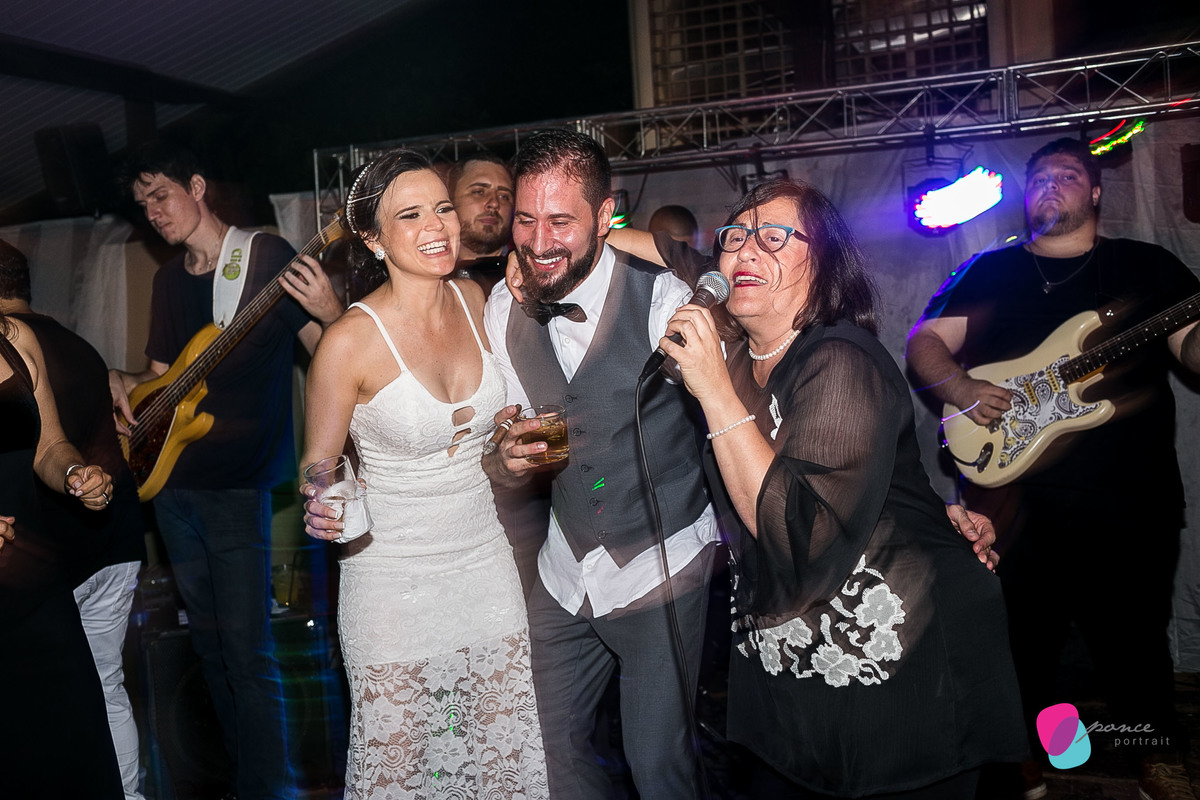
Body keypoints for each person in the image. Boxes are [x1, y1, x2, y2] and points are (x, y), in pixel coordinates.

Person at [655, 178, 1028, 798]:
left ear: (823, 262)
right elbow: (659, 249)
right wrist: (559, 236)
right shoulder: (742, 355)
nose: (747, 249)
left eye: (774, 237)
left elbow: (796, 535)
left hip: (904, 657)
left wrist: (714, 391)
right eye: (736, 236)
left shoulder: (840, 359)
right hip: (794, 652)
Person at [906, 137, 1200, 800]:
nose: (1050, 184)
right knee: (1019, 640)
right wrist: (959, 388)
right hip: (1011, 499)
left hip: (1131, 495)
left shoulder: (1146, 266)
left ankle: (1153, 755)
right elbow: (925, 342)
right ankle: (1022, 756)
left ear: (1095, 192)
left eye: (1066, 175)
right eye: (1039, 177)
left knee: (1135, 641)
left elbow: (1192, 352)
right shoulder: (989, 269)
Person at [482, 128, 723, 800]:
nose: (538, 242)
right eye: (525, 219)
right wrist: (506, 460)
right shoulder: (503, 306)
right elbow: (510, 441)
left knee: (657, 765)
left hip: (660, 563)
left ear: (605, 214)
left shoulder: (663, 298)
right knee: (538, 749)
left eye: (560, 221)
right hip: (565, 567)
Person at [300, 150, 547, 799]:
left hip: (484, 562)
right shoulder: (347, 342)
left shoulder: (475, 298)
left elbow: (493, 440)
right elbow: (318, 464)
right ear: (372, 237)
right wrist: (325, 497)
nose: (436, 225)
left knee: (500, 752)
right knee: (403, 763)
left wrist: (510, 448)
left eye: (442, 207)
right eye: (410, 215)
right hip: (390, 579)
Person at [109, 142, 344, 800]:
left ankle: (275, 789)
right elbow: (160, 380)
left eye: (161, 195)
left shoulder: (263, 258)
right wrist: (119, 385)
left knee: (248, 653)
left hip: (239, 488)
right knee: (210, 651)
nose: (153, 213)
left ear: (196, 185)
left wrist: (332, 314)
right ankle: (245, 781)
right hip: (172, 489)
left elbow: (328, 354)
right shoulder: (167, 281)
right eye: (142, 205)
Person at [0, 239, 147, 800]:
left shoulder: (17, 338)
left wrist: (75, 474)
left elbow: (49, 445)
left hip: (40, 581)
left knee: (77, 739)